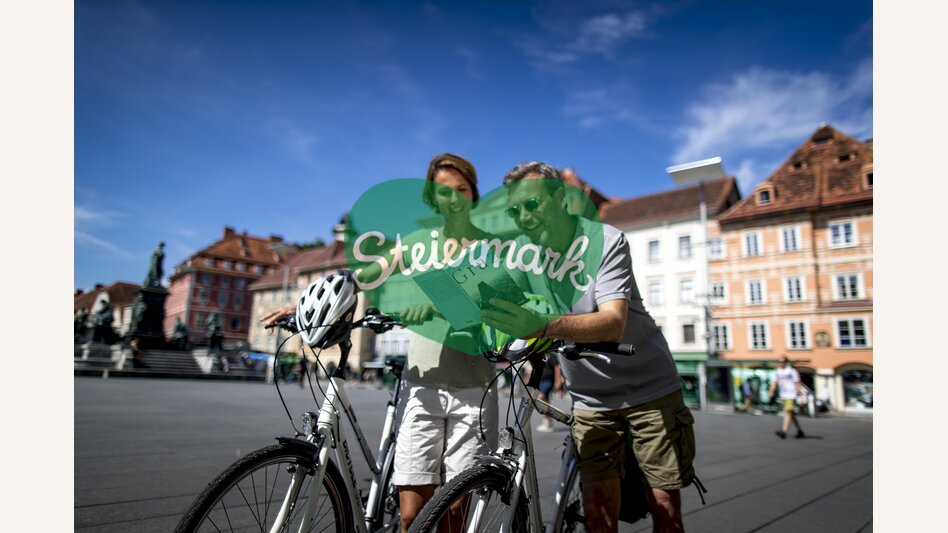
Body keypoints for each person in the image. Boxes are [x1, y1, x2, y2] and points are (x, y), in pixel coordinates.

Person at [261, 153, 499, 533]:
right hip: (422, 384)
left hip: (473, 390)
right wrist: (312, 298)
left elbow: (484, 308)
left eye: (461, 189)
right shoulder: (420, 243)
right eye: (443, 191)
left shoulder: (489, 247)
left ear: (473, 195)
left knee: (455, 514)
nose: (452, 198)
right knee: (411, 514)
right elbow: (369, 272)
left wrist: (437, 302)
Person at [481, 162, 696, 533]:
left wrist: (543, 325)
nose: (524, 216)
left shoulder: (606, 240)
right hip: (591, 399)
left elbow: (613, 322)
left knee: (664, 509)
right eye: (515, 210)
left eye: (532, 204)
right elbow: (493, 295)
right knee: (598, 516)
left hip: (649, 388)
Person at [769, 356, 805, 439]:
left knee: (787, 411)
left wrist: (800, 396)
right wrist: (771, 391)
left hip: (791, 394)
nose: (781, 363)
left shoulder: (792, 371)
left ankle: (783, 431)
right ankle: (800, 431)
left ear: (786, 362)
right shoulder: (777, 371)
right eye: (780, 361)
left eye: (783, 361)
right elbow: (774, 382)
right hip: (783, 395)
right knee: (791, 414)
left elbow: (797, 383)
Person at [528, 351, 564, 432]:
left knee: (540, 398)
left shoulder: (551, 355)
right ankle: (547, 421)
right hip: (540, 380)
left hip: (548, 380)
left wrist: (558, 381)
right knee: (545, 402)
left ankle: (549, 419)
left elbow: (557, 367)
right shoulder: (538, 353)